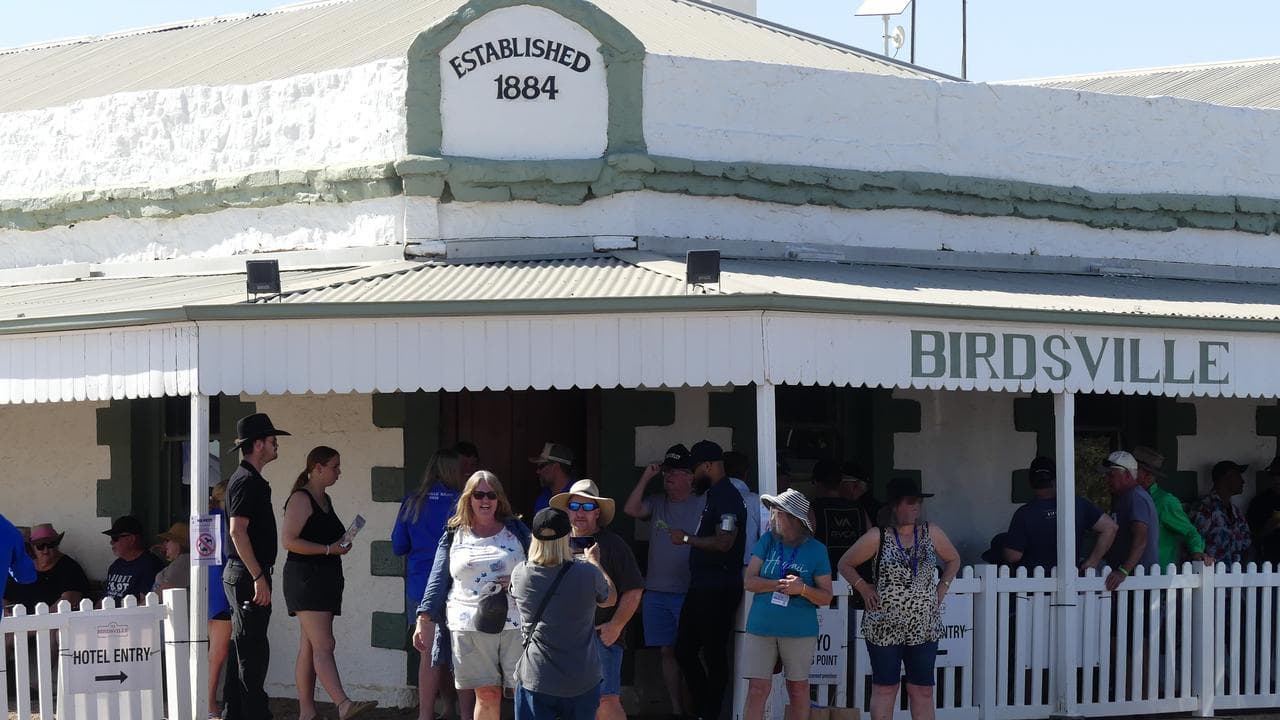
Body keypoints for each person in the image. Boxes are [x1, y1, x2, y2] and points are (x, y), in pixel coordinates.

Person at [838, 478, 960, 720]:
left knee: (923, 690)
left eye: (918, 502)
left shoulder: (930, 532)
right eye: (910, 502)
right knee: (885, 688)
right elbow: (845, 563)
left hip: (923, 626)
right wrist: (864, 588)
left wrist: (941, 588)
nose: (916, 507)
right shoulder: (878, 536)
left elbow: (953, 559)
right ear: (895, 505)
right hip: (885, 626)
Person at [416, 471, 532, 720]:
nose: (485, 500)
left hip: (516, 623)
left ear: (499, 499)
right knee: (487, 694)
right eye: (478, 494)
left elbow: (539, 567)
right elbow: (437, 578)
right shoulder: (453, 533)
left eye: (491, 494)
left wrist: (519, 579)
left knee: (525, 690)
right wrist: (423, 619)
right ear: (468, 498)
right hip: (469, 623)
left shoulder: (516, 530)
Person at [281, 446, 377, 720]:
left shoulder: (325, 499)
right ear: (318, 468)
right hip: (306, 579)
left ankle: (307, 712)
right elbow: (289, 540)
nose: (338, 472)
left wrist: (339, 544)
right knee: (325, 644)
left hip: (325, 578)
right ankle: (343, 704)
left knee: (310, 645)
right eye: (334, 466)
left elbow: (329, 540)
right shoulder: (301, 499)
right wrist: (327, 549)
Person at [510, 506, 618, 719]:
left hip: (537, 677)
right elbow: (610, 599)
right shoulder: (587, 573)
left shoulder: (520, 574)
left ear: (534, 538)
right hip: (582, 679)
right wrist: (595, 563)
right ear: (568, 536)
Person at [550, 480, 643, 720]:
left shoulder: (614, 545)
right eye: (575, 506)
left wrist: (616, 626)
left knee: (605, 700)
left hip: (600, 638)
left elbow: (633, 591)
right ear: (567, 510)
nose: (580, 512)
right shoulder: (552, 545)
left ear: (598, 513)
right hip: (560, 640)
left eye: (588, 507)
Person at [623, 444, 704, 718]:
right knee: (667, 652)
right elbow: (631, 509)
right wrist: (647, 477)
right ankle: (677, 709)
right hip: (656, 592)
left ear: (690, 476)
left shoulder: (703, 503)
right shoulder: (657, 502)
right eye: (666, 472)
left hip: (688, 591)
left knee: (690, 653)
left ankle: (697, 707)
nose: (669, 477)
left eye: (676, 472)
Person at [669, 440, 746, 720]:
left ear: (709, 466)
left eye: (695, 469)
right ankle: (703, 708)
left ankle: (711, 713)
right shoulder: (714, 495)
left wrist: (687, 538)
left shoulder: (727, 497)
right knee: (684, 651)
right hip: (702, 586)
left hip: (718, 588)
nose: (692, 475)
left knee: (713, 654)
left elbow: (725, 542)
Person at [742, 489, 833, 720]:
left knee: (798, 689)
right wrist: (777, 585)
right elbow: (749, 581)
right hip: (761, 627)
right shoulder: (767, 541)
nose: (773, 516)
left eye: (778, 512)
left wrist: (802, 589)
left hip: (799, 630)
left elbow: (826, 596)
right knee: (757, 689)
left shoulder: (817, 550)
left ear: (794, 519)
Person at [223, 412, 290, 720]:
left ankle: (235, 712)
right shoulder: (247, 481)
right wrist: (258, 576)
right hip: (248, 573)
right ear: (258, 444)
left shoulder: (249, 480)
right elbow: (237, 531)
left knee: (244, 646)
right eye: (272, 439)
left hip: (247, 573)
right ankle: (253, 713)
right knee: (252, 652)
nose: (277, 444)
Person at [393, 448, 464, 720]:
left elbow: (399, 546)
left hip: (420, 587)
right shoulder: (460, 503)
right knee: (458, 653)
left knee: (429, 653)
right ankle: (455, 709)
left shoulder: (413, 501)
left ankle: (428, 713)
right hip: (455, 587)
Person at [1002, 456, 1117, 573]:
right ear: (1055, 479)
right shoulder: (1076, 505)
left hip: (1034, 586)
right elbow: (1110, 527)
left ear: (1031, 482)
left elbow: (1013, 556)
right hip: (1070, 583)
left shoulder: (1024, 513)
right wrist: (1093, 561)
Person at [1132, 447, 1209, 567]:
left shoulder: (1165, 501)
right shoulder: (1131, 498)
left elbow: (1189, 531)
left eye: (1133, 470)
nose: (1129, 474)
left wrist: (1197, 551)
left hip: (1159, 576)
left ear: (1147, 474)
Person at [1101, 451, 1160, 591]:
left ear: (1127, 475)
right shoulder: (1126, 497)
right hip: (1130, 582)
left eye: (1111, 475)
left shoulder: (1136, 497)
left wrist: (1123, 571)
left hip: (1138, 582)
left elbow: (1141, 538)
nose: (1107, 479)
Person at [3, 523, 90, 610]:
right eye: (40, 546)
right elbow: (4, 596)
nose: (46, 550)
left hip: (56, 621)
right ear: (33, 547)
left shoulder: (69, 567)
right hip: (18, 620)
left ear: (56, 545)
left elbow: (70, 599)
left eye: (50, 545)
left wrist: (42, 620)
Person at [810, 459, 871, 572]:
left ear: (816, 482)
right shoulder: (859, 509)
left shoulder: (813, 509)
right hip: (855, 576)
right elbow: (870, 540)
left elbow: (805, 542)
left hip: (824, 576)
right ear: (840, 482)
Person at [1190, 460, 1253, 566]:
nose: (1243, 481)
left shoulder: (1236, 512)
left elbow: (1246, 544)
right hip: (1209, 577)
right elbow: (1193, 542)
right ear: (1227, 477)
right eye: (1238, 476)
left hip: (1235, 576)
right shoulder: (1204, 508)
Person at [209, 480, 233, 720]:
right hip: (222, 591)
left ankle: (211, 703)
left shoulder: (209, 520)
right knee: (217, 654)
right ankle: (209, 705)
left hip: (210, 591)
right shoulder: (226, 521)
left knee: (215, 653)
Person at [102, 515, 164, 603]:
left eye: (115, 538)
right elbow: (104, 599)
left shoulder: (150, 565)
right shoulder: (116, 565)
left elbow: (145, 602)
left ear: (131, 539)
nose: (111, 542)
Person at [724, 450, 762, 566]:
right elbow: (768, 537)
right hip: (747, 569)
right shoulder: (756, 501)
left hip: (715, 569)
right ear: (746, 473)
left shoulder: (709, 497)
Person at [1246, 456, 1280, 565]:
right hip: (1269, 563)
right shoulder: (1261, 501)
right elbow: (1249, 538)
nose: (1276, 479)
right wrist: (1267, 528)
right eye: (1273, 474)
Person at [530, 443, 575, 513]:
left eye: (541, 466)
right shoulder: (543, 496)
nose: (537, 471)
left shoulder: (577, 497)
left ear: (555, 467)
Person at [153, 521, 191, 592]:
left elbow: (165, 591)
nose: (165, 544)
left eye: (168, 540)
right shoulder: (180, 561)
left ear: (178, 543)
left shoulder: (184, 560)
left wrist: (143, 603)